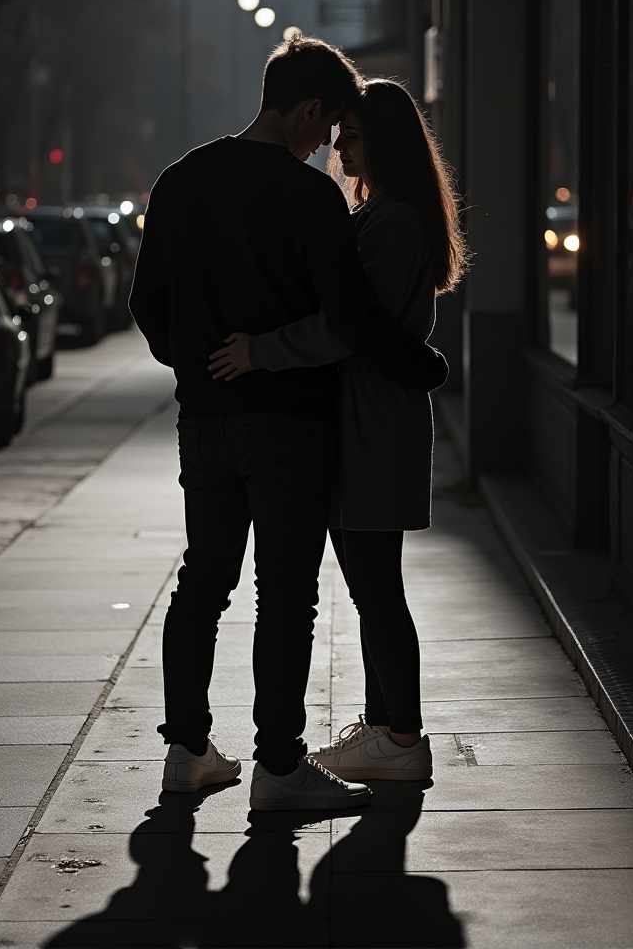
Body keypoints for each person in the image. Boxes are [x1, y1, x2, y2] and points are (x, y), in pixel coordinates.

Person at [130, 39, 448, 812]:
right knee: (285, 596)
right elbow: (351, 315)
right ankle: (278, 766)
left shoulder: (178, 180)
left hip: (205, 420)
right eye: (329, 123)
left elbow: (148, 303)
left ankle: (187, 749)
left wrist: (194, 365)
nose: (330, 143)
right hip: (293, 425)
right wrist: (421, 364)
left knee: (202, 582)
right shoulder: (311, 199)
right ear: (308, 110)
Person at [207, 79, 468, 784]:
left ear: (381, 139)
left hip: (374, 417)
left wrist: (260, 349)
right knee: (371, 584)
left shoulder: (392, 221)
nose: (337, 143)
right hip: (370, 413)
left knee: (376, 585)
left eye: (350, 133)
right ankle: (387, 730)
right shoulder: (386, 212)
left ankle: (403, 736)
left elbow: (347, 327)